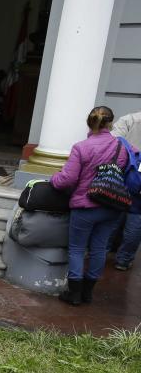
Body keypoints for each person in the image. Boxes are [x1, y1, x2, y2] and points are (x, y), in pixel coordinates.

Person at [51, 106, 132, 305]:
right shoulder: (123, 146)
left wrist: (53, 179)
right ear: (111, 123)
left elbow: (67, 180)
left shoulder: (82, 147)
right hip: (113, 206)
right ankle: (88, 293)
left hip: (85, 206)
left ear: (89, 123)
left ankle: (74, 294)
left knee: (77, 249)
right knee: (99, 248)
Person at [113, 110, 141, 270]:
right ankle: (123, 260)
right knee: (136, 220)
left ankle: (102, 251)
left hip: (124, 173)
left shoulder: (129, 119)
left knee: (114, 215)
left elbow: (115, 140)